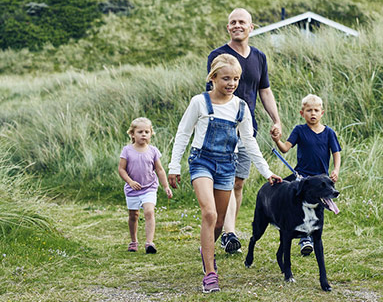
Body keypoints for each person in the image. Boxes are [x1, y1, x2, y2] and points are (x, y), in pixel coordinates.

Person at [167, 53, 283, 293]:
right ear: (213, 78)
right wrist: (174, 166)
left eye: (236, 79)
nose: (231, 84)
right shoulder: (199, 102)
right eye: (226, 78)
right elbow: (183, 134)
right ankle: (210, 273)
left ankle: (206, 248)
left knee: (219, 221)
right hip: (202, 162)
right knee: (209, 213)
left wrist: (267, 172)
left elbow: (249, 142)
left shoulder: (240, 107)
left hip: (227, 165)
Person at [206, 8, 282, 255]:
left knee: (238, 183)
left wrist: (276, 120)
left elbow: (265, 91)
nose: (237, 25)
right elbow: (211, 91)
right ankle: (227, 233)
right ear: (228, 27)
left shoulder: (259, 57)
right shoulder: (218, 55)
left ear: (251, 27)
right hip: (222, 130)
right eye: (232, 22)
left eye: (242, 22)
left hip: (248, 130)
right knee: (225, 183)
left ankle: (229, 232)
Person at [271, 94, 341, 256]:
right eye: (309, 110)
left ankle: (313, 236)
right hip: (303, 179)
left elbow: (336, 152)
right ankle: (304, 238)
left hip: (322, 181)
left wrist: (336, 170)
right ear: (302, 113)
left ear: (322, 113)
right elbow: (285, 148)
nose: (313, 113)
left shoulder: (329, 133)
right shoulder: (299, 130)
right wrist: (277, 140)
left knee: (318, 210)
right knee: (300, 209)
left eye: (316, 110)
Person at [118, 117, 173, 254]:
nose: (144, 134)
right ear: (132, 134)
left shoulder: (153, 151)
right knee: (133, 215)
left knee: (149, 211)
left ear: (151, 134)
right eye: (140, 132)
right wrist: (130, 181)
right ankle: (133, 241)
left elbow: (159, 170)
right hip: (132, 189)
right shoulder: (127, 150)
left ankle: (149, 243)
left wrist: (165, 186)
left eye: (147, 132)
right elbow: (121, 169)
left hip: (149, 188)